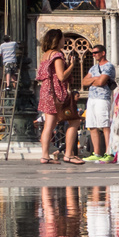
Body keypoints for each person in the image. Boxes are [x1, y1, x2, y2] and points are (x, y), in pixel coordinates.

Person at [36, 28, 80, 164]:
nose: (64, 41)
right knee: (74, 120)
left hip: (45, 91)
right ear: (57, 40)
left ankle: (45, 156)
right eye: (62, 38)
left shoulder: (45, 55)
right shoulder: (57, 55)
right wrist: (72, 65)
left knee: (49, 125)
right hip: (56, 92)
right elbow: (61, 76)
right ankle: (68, 154)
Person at [81, 44, 115, 162]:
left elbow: (101, 82)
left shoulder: (109, 66)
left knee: (105, 125)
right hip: (91, 98)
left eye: (96, 52)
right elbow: (84, 82)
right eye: (93, 53)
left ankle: (109, 152)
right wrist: (96, 79)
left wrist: (95, 80)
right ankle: (97, 153)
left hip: (102, 98)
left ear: (103, 53)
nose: (94, 55)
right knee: (92, 125)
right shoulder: (93, 68)